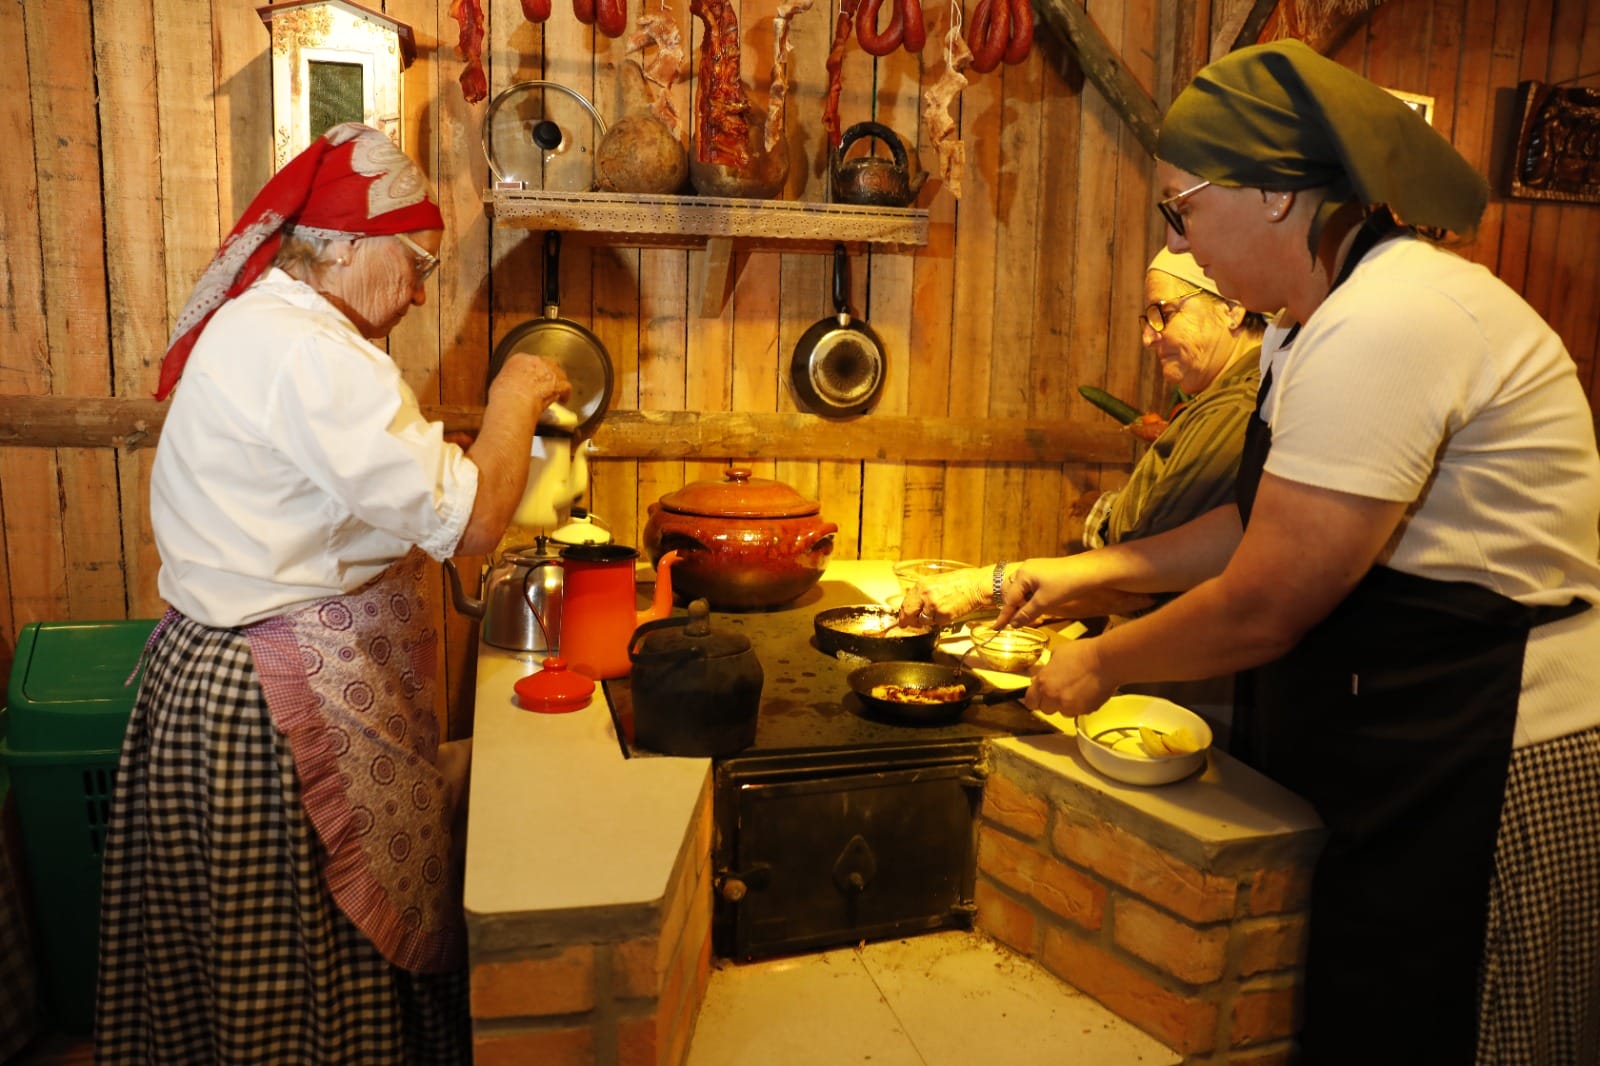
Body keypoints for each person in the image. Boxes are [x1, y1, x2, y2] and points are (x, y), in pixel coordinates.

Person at [905, 40, 1600, 1065]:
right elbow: (1257, 523)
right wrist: (1082, 577)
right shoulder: (1302, 328)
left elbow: (1269, 599)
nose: (1177, 238)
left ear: (1274, 193)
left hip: (1493, 746)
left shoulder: (1393, 320)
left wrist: (1102, 661)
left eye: (1180, 210)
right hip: (1402, 730)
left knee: (1463, 1030)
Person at [95, 123, 571, 1064]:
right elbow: (477, 523)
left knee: (256, 952)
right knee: (297, 950)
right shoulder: (312, 354)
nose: (421, 291)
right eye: (417, 265)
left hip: (217, 672)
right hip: (269, 702)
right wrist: (515, 396)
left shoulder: (267, 324)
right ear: (349, 246)